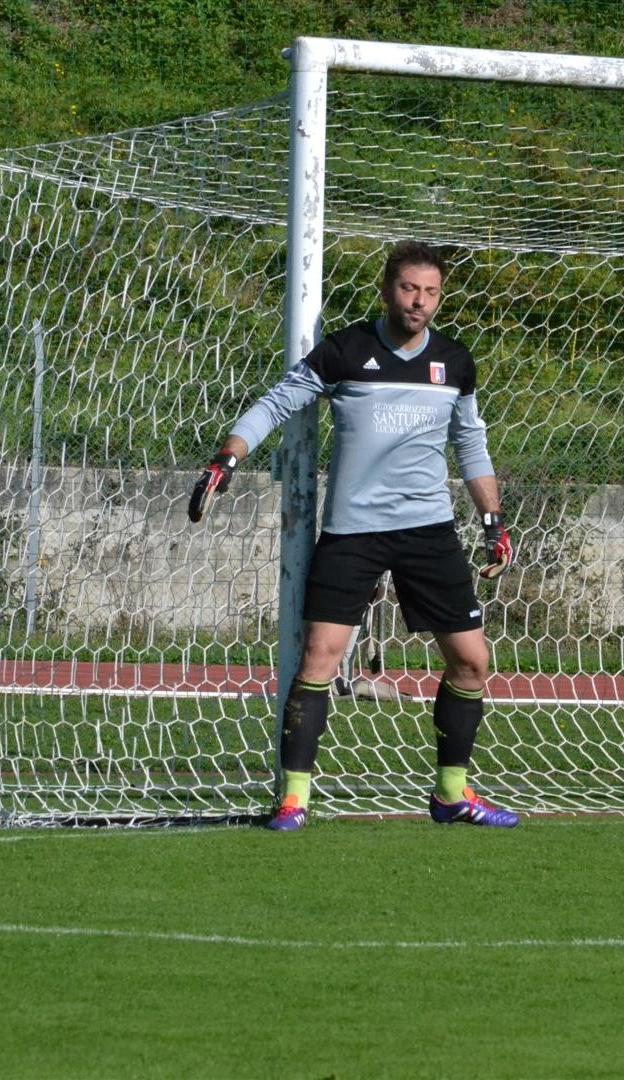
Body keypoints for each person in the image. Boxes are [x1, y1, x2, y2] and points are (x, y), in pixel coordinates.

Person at [187, 241, 517, 831]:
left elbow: (471, 444)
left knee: (471, 660)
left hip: (429, 531)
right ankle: (293, 799)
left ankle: (451, 794)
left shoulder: (455, 363)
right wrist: (228, 457)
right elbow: (277, 403)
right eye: (409, 288)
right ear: (388, 289)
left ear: (440, 298)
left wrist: (492, 519)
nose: (419, 302)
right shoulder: (346, 350)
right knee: (319, 658)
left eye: (431, 292)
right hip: (354, 531)